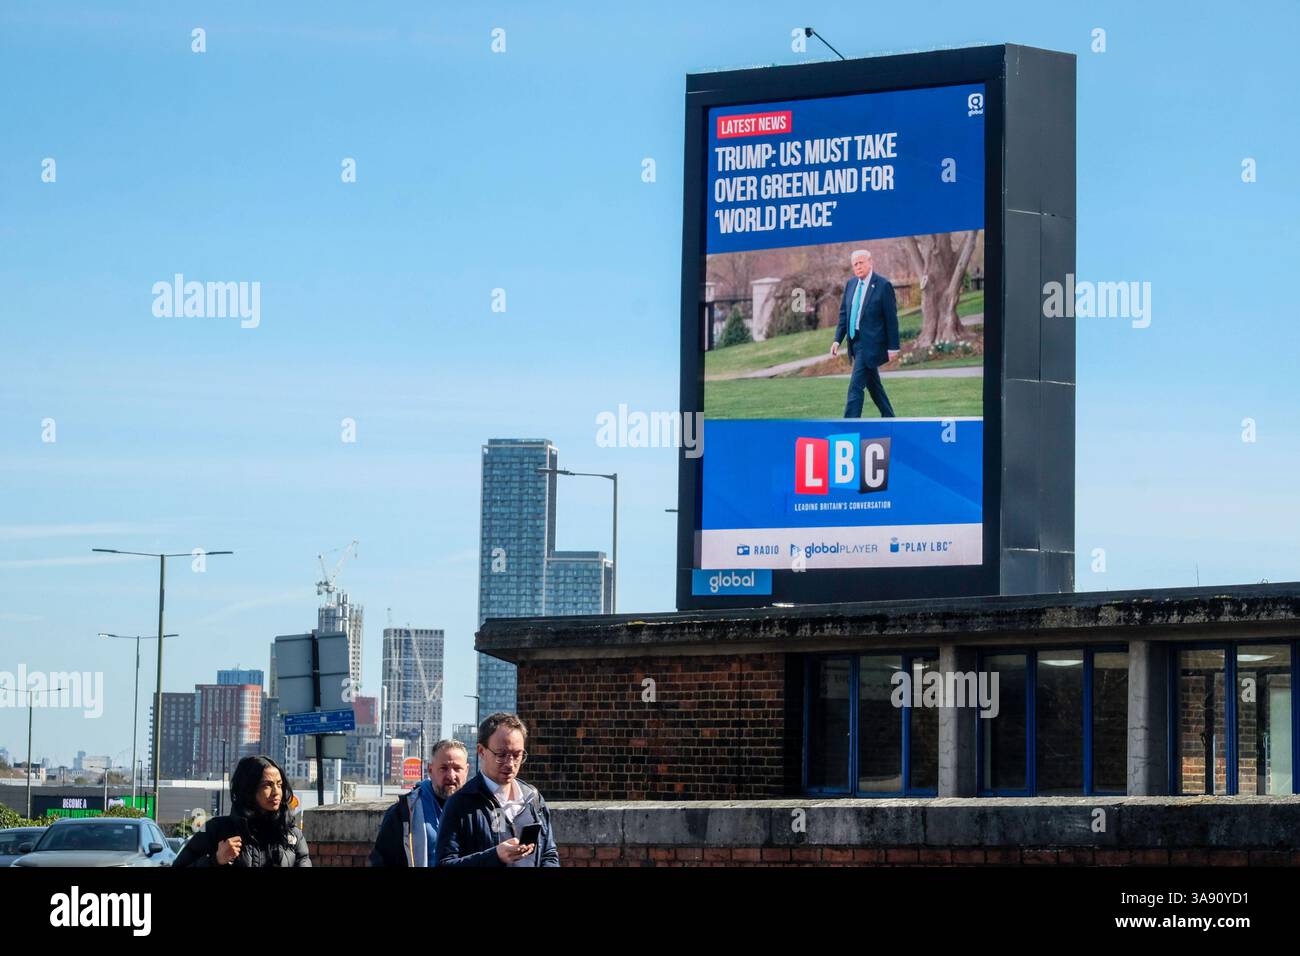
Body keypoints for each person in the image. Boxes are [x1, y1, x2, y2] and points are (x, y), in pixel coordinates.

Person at [435, 713, 559, 867]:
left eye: (517, 755)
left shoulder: (533, 798)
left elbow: (549, 854)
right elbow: (444, 863)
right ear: (481, 751)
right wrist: (495, 856)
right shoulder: (460, 803)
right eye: (501, 755)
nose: (510, 763)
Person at [174, 754, 310, 867]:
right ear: (248, 789)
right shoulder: (216, 830)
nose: (276, 792)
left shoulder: (292, 835)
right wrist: (215, 860)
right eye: (267, 785)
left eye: (279, 785)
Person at [368, 739, 468, 866]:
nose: (451, 775)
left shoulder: (478, 810)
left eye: (457, 768)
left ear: (466, 770)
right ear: (430, 770)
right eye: (443, 768)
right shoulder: (403, 813)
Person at [831, 248, 900, 418]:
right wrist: (837, 340)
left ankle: (849, 425)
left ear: (870, 262)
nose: (858, 267)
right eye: (855, 264)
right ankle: (890, 418)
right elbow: (844, 315)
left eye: (861, 262)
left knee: (855, 386)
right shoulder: (851, 285)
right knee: (874, 385)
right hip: (854, 343)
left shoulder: (883, 285)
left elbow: (891, 319)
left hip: (871, 345)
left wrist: (893, 347)